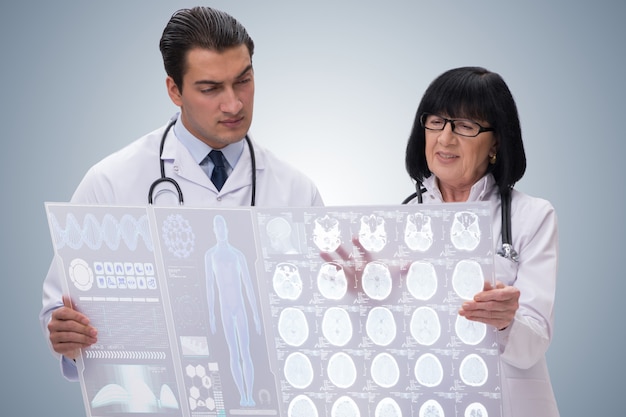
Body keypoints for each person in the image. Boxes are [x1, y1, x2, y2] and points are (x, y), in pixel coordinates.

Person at [40, 6, 323, 382]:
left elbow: (320, 315)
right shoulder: (110, 183)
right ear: (175, 90)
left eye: (243, 81)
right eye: (210, 89)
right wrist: (65, 335)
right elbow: (61, 308)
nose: (234, 104)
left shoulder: (297, 192)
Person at [404, 66, 559, 416]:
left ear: (497, 140)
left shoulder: (532, 217)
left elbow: (532, 345)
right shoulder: (397, 223)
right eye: (436, 122)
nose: (445, 138)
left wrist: (506, 321)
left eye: (465, 126)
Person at [205, 215, 261, 407]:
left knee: (246, 352)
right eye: (217, 227)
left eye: (223, 227)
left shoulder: (238, 255)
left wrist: (255, 314)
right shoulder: (210, 255)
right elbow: (209, 286)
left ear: (227, 229)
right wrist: (211, 315)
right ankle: (242, 397)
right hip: (225, 308)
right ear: (214, 230)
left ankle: (250, 395)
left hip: (240, 305)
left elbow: (248, 285)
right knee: (233, 352)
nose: (220, 230)